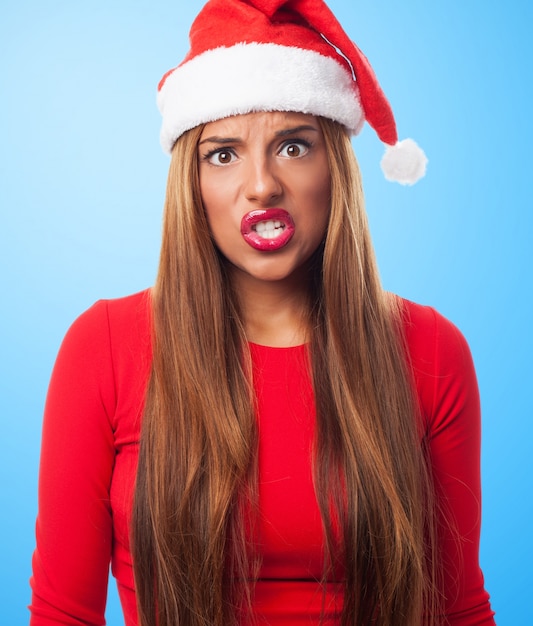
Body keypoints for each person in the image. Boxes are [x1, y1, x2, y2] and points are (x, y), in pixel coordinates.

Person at [29, 1, 495, 624]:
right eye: (223, 154)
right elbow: (63, 613)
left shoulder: (432, 350)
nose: (261, 185)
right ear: (191, 184)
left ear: (336, 168)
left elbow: (458, 609)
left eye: (294, 146)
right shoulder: (104, 348)